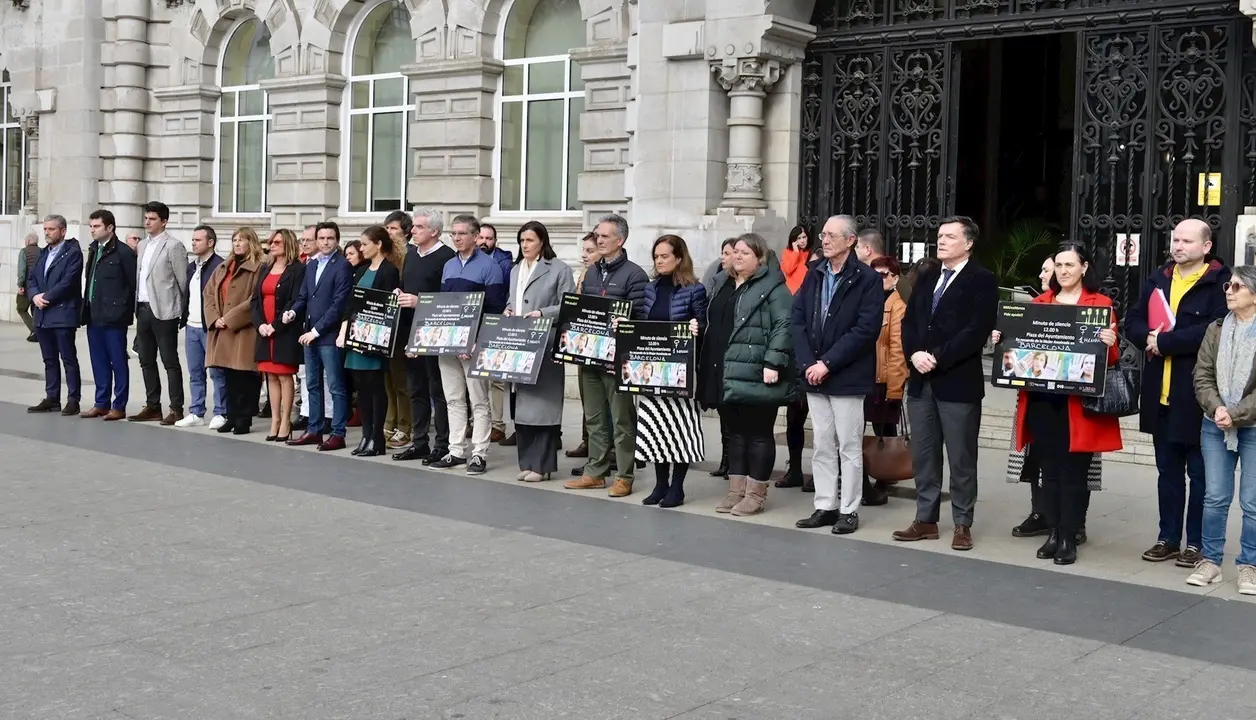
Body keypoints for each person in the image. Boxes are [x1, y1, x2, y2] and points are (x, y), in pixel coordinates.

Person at [1006, 243, 1122, 565]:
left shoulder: (1100, 304)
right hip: (1043, 400)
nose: (1063, 270)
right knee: (1049, 470)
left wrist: (1111, 344)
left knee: (1074, 472)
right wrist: (1003, 341)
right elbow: (1020, 348)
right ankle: (1054, 532)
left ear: (1084, 267)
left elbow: (1111, 359)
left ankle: (1069, 536)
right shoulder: (1039, 304)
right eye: (1059, 265)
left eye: (1070, 264)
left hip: (1078, 405)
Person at [1126, 218, 1230, 567]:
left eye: (1187, 241)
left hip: (1197, 398)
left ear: (1206, 246)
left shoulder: (1219, 282)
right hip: (1161, 395)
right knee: (1168, 474)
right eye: (1176, 240)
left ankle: (1196, 543)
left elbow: (1214, 330)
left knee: (1200, 475)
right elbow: (1133, 320)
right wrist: (1147, 337)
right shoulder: (1159, 279)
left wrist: (1165, 342)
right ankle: (1168, 538)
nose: (1178, 246)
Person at [892, 216, 998, 551]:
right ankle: (925, 519)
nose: (941, 241)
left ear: (968, 243)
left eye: (950, 237)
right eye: (940, 236)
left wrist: (937, 356)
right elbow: (909, 322)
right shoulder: (927, 276)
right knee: (924, 455)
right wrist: (914, 354)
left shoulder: (982, 279)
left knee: (961, 457)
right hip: (920, 382)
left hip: (957, 382)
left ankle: (963, 523)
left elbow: (976, 329)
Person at [791, 215, 883, 534]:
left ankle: (849, 509)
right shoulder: (814, 273)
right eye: (823, 234)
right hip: (814, 374)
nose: (825, 240)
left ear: (851, 240)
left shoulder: (867, 279)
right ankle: (825, 505)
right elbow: (798, 319)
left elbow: (865, 329)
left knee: (848, 445)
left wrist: (827, 363)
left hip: (847, 375)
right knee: (822, 444)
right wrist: (808, 363)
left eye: (831, 235)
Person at [701, 232, 794, 516]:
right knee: (735, 433)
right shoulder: (723, 282)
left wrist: (773, 362)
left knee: (758, 433)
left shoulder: (773, 286)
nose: (737, 256)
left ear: (760, 258)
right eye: (735, 251)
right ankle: (736, 491)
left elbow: (784, 324)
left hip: (756, 369)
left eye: (745, 253)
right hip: (726, 368)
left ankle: (755, 494)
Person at [565, 214, 649, 497]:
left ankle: (624, 476)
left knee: (622, 420)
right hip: (588, 355)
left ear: (620, 240)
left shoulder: (635, 274)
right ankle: (595, 472)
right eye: (597, 235)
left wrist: (627, 323)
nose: (599, 240)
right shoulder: (591, 272)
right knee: (594, 417)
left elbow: (641, 316)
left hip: (617, 360)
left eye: (604, 236)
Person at [1189, 265, 1256, 593]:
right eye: (1228, 285)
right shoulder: (1215, 329)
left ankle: (1249, 565)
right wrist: (1216, 408)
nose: (1228, 291)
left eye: (1237, 287)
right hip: (1215, 424)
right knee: (1215, 496)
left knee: (1253, 502)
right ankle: (1211, 561)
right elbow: (1201, 374)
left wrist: (1236, 413)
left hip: (1253, 426)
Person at [430, 214, 506, 474]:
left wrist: (476, 342)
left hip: (473, 345)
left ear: (475, 236)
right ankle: (456, 451)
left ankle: (479, 454)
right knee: (453, 399)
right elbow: (443, 306)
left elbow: (494, 309)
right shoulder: (449, 265)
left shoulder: (490, 266)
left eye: (462, 233)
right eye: (454, 233)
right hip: (449, 343)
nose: (457, 238)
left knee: (479, 401)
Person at [637, 235, 708, 507]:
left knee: (679, 429)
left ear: (679, 258)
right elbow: (644, 323)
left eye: (664, 256)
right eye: (656, 256)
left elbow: (704, 323)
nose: (659, 261)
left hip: (681, 371)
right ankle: (660, 484)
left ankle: (677, 487)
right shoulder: (651, 288)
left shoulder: (694, 289)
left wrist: (697, 327)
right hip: (653, 368)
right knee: (656, 427)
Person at [506, 221, 574, 481]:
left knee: (543, 406)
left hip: (546, 344)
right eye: (522, 240)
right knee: (522, 407)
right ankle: (527, 462)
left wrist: (543, 313)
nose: (525, 245)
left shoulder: (559, 269)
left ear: (542, 241)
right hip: (520, 343)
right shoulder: (515, 270)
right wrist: (508, 309)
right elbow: (513, 299)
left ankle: (542, 466)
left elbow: (568, 305)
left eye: (530, 240)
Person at [394, 207, 457, 465]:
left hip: (434, 333)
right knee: (416, 389)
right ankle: (419, 442)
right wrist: (400, 294)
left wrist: (418, 301)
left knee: (437, 390)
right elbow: (407, 286)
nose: (413, 231)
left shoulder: (447, 258)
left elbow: (450, 300)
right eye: (413, 226)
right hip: (411, 331)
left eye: (419, 227)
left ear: (434, 231)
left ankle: (442, 444)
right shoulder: (411, 255)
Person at [287, 222, 353, 452]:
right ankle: (314, 430)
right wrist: (293, 312)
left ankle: (338, 433)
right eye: (322, 238)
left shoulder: (342, 265)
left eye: (330, 238)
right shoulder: (312, 264)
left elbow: (339, 304)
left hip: (328, 335)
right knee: (312, 384)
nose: (325, 242)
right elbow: (304, 296)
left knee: (335, 386)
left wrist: (316, 331)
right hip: (309, 333)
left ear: (337, 240)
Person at [337, 225, 402, 457]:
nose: (361, 248)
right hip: (357, 334)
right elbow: (352, 302)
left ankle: (377, 438)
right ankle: (366, 436)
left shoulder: (389, 270)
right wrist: (344, 330)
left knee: (375, 387)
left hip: (375, 337)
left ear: (379, 244)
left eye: (365, 244)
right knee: (361, 388)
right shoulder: (362, 270)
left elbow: (387, 307)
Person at [1011, 254, 1059, 537]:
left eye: (1046, 270)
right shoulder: (1035, 305)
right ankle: (1039, 512)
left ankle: (1072, 522)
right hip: (1037, 397)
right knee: (1035, 457)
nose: (1042, 275)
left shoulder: (1085, 304)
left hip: (1071, 401)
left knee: (1075, 465)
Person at [129, 201, 189, 425]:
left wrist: (180, 311)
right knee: (146, 360)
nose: (147, 222)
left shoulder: (174, 246)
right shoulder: (143, 245)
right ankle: (153, 406)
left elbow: (183, 282)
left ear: (164, 221)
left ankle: (176, 408)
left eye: (152, 219)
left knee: (169, 361)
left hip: (165, 311)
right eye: (146, 218)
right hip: (143, 308)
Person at [204, 227, 264, 435]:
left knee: (244, 376)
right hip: (222, 328)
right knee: (228, 375)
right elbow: (208, 293)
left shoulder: (258, 267)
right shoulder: (224, 266)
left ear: (251, 242)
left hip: (243, 329)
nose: (237, 243)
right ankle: (231, 416)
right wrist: (215, 318)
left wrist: (229, 319)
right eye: (234, 240)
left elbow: (255, 299)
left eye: (242, 240)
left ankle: (243, 419)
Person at [80, 209, 137, 421]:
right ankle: (101, 403)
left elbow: (133, 286)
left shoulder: (123, 252)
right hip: (94, 314)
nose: (92, 230)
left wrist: (124, 312)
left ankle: (119, 405)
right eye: (91, 226)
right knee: (99, 361)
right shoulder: (94, 249)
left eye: (97, 226)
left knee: (118, 361)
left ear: (110, 228)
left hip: (115, 317)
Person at [862, 254, 909, 506]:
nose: (878, 279)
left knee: (885, 431)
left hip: (883, 378)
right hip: (863, 376)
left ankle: (885, 475)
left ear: (895, 278)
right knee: (861, 429)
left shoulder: (897, 305)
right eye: (874, 274)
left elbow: (897, 350)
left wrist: (895, 387)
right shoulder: (867, 301)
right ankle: (867, 477)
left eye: (883, 275)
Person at [25, 215, 84, 416]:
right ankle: (52, 397)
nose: (47, 233)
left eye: (51, 229)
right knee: (49, 359)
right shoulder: (43, 253)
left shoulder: (73, 254)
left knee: (68, 359)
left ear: (63, 231)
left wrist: (45, 297)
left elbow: (68, 282)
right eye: (45, 229)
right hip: (42, 314)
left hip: (63, 314)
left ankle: (73, 400)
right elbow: (31, 278)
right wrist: (34, 296)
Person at [254, 229, 307, 442]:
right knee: (270, 376)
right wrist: (260, 325)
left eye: (277, 242)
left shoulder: (297, 269)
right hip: (264, 330)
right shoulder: (265, 268)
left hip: (284, 329)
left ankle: (286, 420)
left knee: (285, 376)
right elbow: (255, 300)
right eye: (271, 242)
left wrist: (275, 325)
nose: (272, 245)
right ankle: (275, 420)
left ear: (288, 244)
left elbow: (295, 300)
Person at [778, 227, 818, 492]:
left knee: (824, 425)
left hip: (821, 363)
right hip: (798, 363)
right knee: (794, 419)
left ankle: (821, 474)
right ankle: (794, 469)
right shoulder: (797, 295)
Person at [176, 226, 227, 429]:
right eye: (193, 239)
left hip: (210, 327)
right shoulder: (192, 267)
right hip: (192, 325)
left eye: (198, 240)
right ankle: (196, 412)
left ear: (210, 242)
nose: (193, 243)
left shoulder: (219, 266)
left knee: (217, 372)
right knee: (195, 372)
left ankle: (221, 412)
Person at [478, 222, 514, 444]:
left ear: (495, 241)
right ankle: (478, 422)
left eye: (489, 238)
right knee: (475, 377)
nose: (484, 242)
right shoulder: (465, 259)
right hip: (475, 322)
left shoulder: (504, 263)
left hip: (496, 321)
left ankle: (498, 425)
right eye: (481, 237)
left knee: (496, 378)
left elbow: (509, 292)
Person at [565, 232, 600, 460]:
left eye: (590, 251)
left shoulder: (600, 277)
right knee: (586, 395)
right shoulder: (583, 275)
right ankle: (587, 440)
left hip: (599, 343)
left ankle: (603, 448)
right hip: (581, 341)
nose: (584, 255)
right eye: (583, 251)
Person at [382, 210, 414, 450]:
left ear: (406, 232)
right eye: (387, 229)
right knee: (388, 379)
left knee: (402, 380)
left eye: (394, 229)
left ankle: (405, 425)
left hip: (404, 324)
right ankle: (390, 420)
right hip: (384, 325)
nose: (389, 233)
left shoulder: (409, 256)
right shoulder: (384, 255)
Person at [16, 230, 38, 342]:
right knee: (36, 309)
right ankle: (38, 330)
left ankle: (35, 330)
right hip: (39, 287)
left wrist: (20, 285)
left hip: (27, 286)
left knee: (21, 308)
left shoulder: (24, 252)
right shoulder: (42, 251)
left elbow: (22, 270)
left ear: (28, 241)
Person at [780, 225, 813, 294]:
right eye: (799, 238)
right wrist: (795, 252)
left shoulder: (811, 253)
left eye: (804, 237)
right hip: (793, 291)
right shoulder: (787, 253)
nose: (802, 241)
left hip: (807, 290)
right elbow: (788, 270)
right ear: (794, 240)